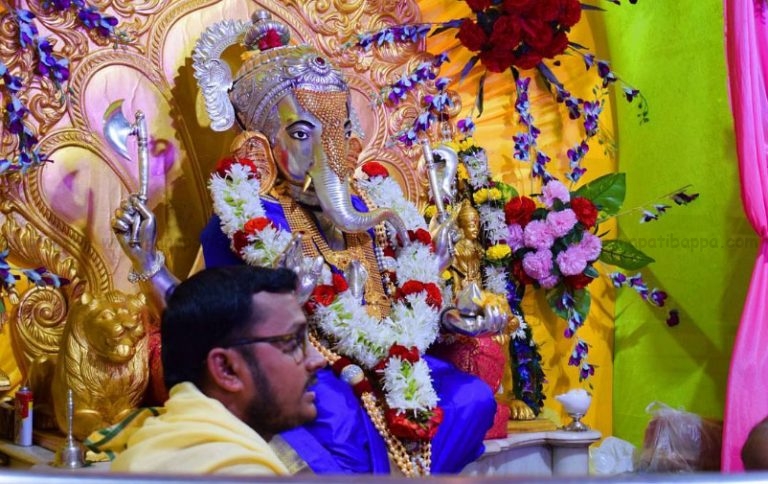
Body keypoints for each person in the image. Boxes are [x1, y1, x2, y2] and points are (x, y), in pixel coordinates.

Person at [112, 10, 499, 476]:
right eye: (301, 134)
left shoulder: (375, 209)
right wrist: (151, 264)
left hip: (397, 363)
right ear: (260, 145)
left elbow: (407, 307)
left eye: (336, 132)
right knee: (332, 416)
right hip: (313, 367)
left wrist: (448, 321)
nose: (325, 153)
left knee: (472, 398)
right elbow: (210, 320)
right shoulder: (248, 219)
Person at [110, 265, 325, 475]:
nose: (318, 360)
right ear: (226, 369)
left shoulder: (152, 448)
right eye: (293, 341)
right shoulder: (238, 473)